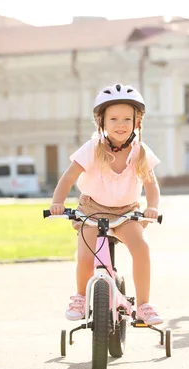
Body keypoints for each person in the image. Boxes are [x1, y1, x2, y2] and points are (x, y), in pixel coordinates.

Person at [49, 83, 164, 325]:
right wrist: (57, 202)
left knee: (141, 249)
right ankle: (80, 297)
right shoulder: (92, 149)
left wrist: (152, 206)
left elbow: (151, 185)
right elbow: (68, 177)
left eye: (126, 119)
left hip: (126, 212)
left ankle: (143, 305)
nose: (120, 125)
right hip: (92, 209)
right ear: (101, 122)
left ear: (137, 122)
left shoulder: (140, 151)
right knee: (85, 257)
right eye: (113, 119)